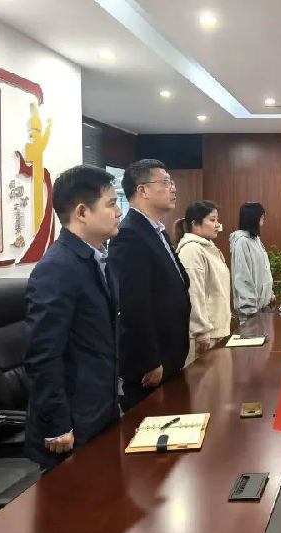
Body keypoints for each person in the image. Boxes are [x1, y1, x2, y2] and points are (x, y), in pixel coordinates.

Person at [24, 165, 122, 468]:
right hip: (72, 423)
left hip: (100, 408)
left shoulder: (96, 257)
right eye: (111, 204)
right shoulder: (57, 268)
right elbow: (43, 354)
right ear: (82, 212)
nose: (119, 212)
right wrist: (57, 423)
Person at [109, 159, 191, 410]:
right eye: (165, 182)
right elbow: (134, 305)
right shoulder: (129, 235)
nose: (173, 188)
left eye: (171, 182)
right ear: (142, 190)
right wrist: (150, 360)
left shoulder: (157, 231)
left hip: (171, 354)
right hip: (153, 365)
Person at [174, 201, 231, 366]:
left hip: (216, 330)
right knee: (204, 381)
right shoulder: (192, 249)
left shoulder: (208, 247)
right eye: (212, 220)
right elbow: (194, 293)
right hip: (204, 336)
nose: (217, 225)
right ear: (195, 223)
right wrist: (201, 331)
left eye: (217, 220)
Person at [230, 201, 274, 323]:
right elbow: (243, 277)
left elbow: (264, 271)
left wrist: (270, 295)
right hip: (250, 313)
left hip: (262, 308)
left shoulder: (255, 239)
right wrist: (249, 309)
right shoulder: (242, 242)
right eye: (261, 215)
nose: (264, 218)